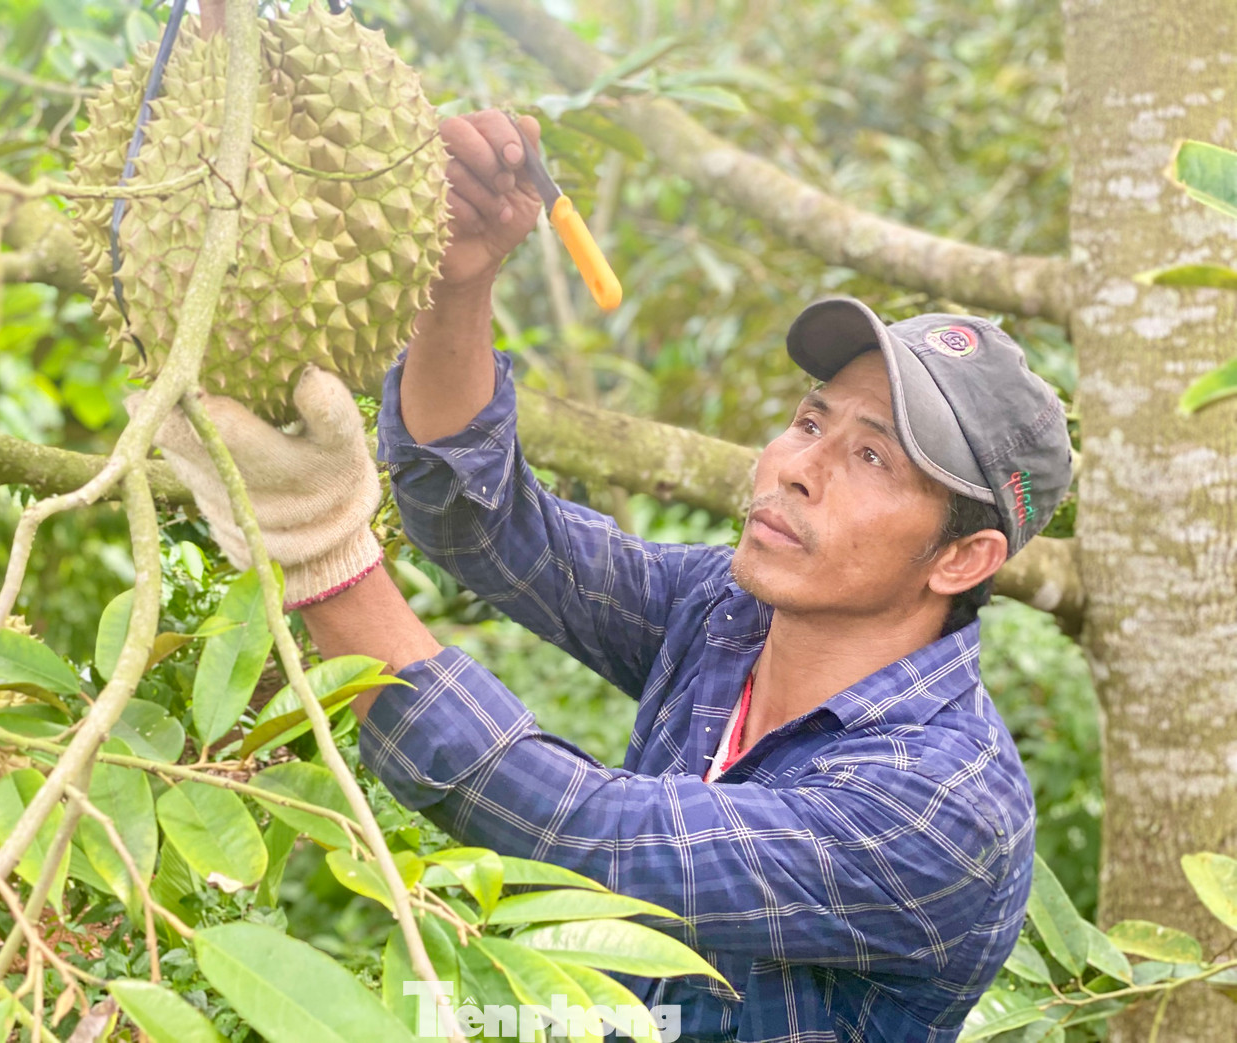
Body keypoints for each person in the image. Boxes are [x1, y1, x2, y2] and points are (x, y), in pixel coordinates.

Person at [149, 110, 1072, 1042]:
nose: (798, 467)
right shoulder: (727, 615)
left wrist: (321, 552)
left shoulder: (945, 807)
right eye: (808, 421)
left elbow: (588, 835)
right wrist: (457, 287)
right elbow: (489, 528)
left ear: (962, 558)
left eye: (871, 457)